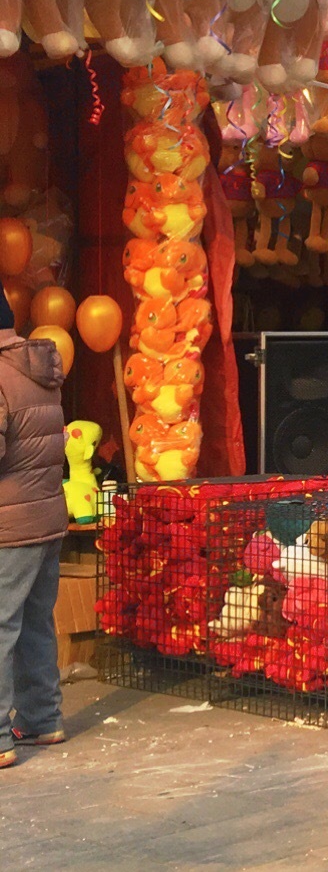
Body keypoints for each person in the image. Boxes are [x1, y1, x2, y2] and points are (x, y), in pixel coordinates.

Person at [0, 330, 66, 772]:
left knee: (2, 627)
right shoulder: (39, 364)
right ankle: (43, 719)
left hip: (10, 524)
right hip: (47, 517)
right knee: (35, 623)